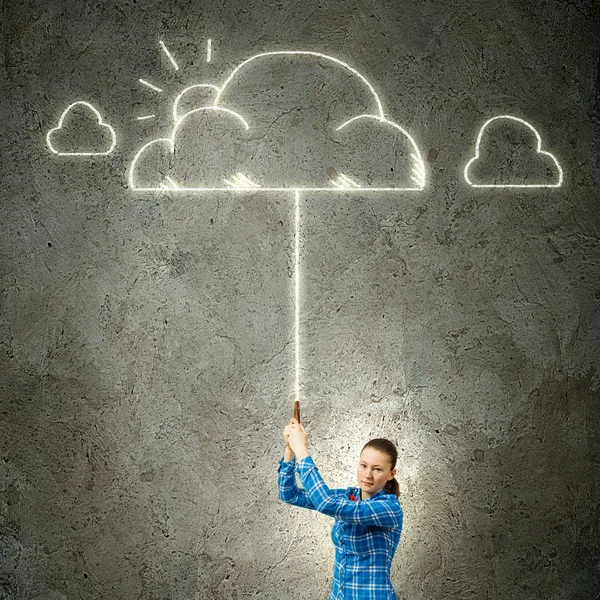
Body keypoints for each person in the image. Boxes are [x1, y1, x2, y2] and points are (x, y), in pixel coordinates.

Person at [278, 417, 403, 599]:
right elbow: (289, 494)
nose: (368, 474)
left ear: (391, 474)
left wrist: (302, 451)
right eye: (363, 465)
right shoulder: (347, 497)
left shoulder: (390, 508)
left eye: (377, 469)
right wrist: (290, 449)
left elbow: (325, 503)